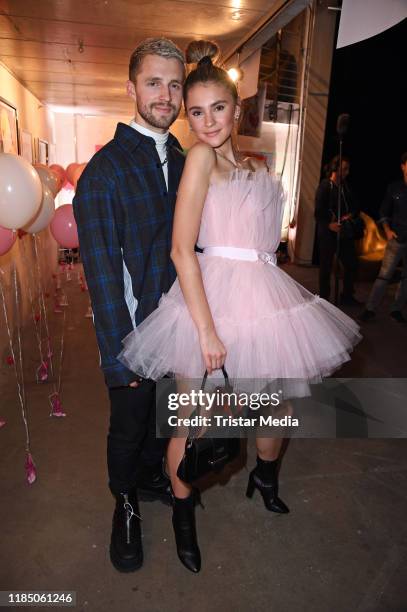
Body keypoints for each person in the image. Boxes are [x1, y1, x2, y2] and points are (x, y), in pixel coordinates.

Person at [118, 40, 362, 573]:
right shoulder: (201, 157)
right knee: (195, 420)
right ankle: (184, 514)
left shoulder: (256, 160)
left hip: (266, 294)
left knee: (274, 408)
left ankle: (263, 477)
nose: (207, 122)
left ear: (238, 107)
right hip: (211, 299)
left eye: (218, 108)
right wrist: (206, 332)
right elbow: (182, 249)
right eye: (196, 111)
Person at [72, 38, 186, 573]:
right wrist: (122, 359)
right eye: (153, 82)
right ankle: (124, 504)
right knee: (129, 423)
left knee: (164, 419)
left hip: (180, 327)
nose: (165, 95)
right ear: (131, 89)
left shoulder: (184, 159)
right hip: (136, 333)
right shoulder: (106, 172)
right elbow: (100, 278)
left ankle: (147, 476)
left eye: (174, 84)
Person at [360, 152, 407, 323]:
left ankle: (396, 309)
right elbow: (383, 211)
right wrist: (387, 229)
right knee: (384, 275)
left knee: (406, 278)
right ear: (403, 166)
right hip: (396, 239)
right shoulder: (394, 187)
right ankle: (370, 308)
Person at [314, 155, 362, 305]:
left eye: (348, 169)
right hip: (328, 232)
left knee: (351, 263)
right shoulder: (325, 185)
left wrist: (350, 215)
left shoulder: (344, 186)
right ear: (336, 168)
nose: (347, 172)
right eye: (344, 168)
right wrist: (329, 224)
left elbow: (355, 206)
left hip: (343, 232)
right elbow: (318, 211)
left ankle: (347, 296)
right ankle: (324, 300)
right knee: (326, 267)